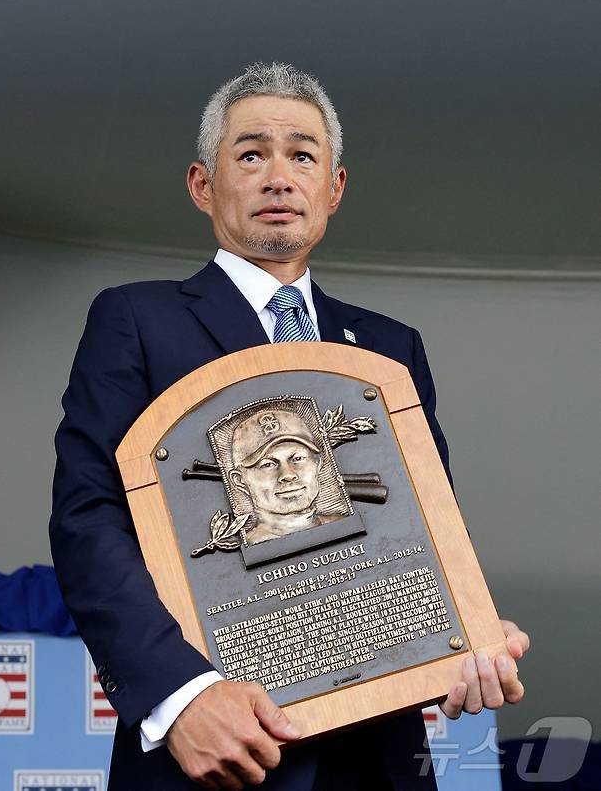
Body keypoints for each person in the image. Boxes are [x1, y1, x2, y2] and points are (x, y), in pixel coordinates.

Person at [50, 62, 530, 791]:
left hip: (377, 762)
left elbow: (422, 533)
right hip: (217, 753)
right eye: (251, 155)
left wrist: (466, 637)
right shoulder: (136, 320)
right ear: (203, 185)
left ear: (333, 188)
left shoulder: (390, 349)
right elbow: (88, 521)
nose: (279, 178)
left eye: (303, 156)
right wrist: (183, 697)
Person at [228, 407, 344, 545]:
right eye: (267, 465)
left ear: (318, 463)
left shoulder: (344, 524)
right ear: (240, 480)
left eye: (298, 458)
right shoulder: (248, 545)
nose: (288, 475)